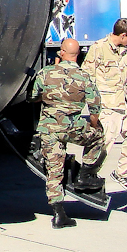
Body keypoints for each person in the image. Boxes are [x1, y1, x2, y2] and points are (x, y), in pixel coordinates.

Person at [30, 38, 106, 229]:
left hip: (50, 130)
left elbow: (31, 97)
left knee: (54, 171)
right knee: (98, 137)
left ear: (62, 52)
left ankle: (58, 214)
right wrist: (94, 125)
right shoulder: (84, 76)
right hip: (74, 128)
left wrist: (46, 97)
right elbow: (95, 106)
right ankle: (86, 175)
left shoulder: (46, 73)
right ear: (77, 54)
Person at [83, 18, 127, 193]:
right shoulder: (98, 48)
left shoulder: (125, 50)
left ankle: (122, 173)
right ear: (123, 35)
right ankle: (89, 174)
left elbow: (126, 73)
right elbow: (87, 77)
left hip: (124, 102)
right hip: (107, 104)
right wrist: (92, 105)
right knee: (105, 142)